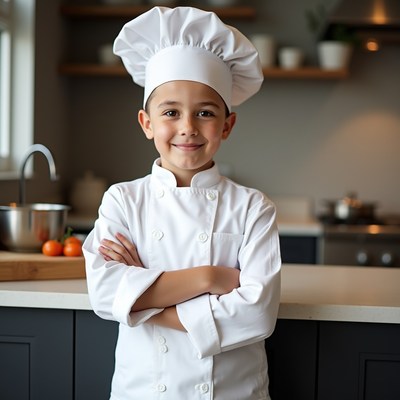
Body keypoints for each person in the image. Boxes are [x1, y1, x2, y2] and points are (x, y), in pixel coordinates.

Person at [83, 6, 281, 400]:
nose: (187, 127)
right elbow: (105, 293)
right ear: (147, 123)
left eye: (205, 113)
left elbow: (257, 314)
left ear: (227, 125)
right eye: (170, 112)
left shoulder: (253, 207)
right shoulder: (123, 199)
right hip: (143, 390)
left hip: (230, 391)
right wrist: (208, 278)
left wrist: (143, 297)